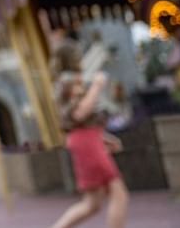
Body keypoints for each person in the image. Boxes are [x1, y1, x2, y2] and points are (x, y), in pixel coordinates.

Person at [48, 44, 128, 228]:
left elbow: (79, 122)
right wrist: (97, 85)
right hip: (86, 141)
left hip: (85, 139)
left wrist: (103, 138)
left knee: (92, 204)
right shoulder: (70, 81)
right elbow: (80, 113)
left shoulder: (63, 81)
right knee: (119, 195)